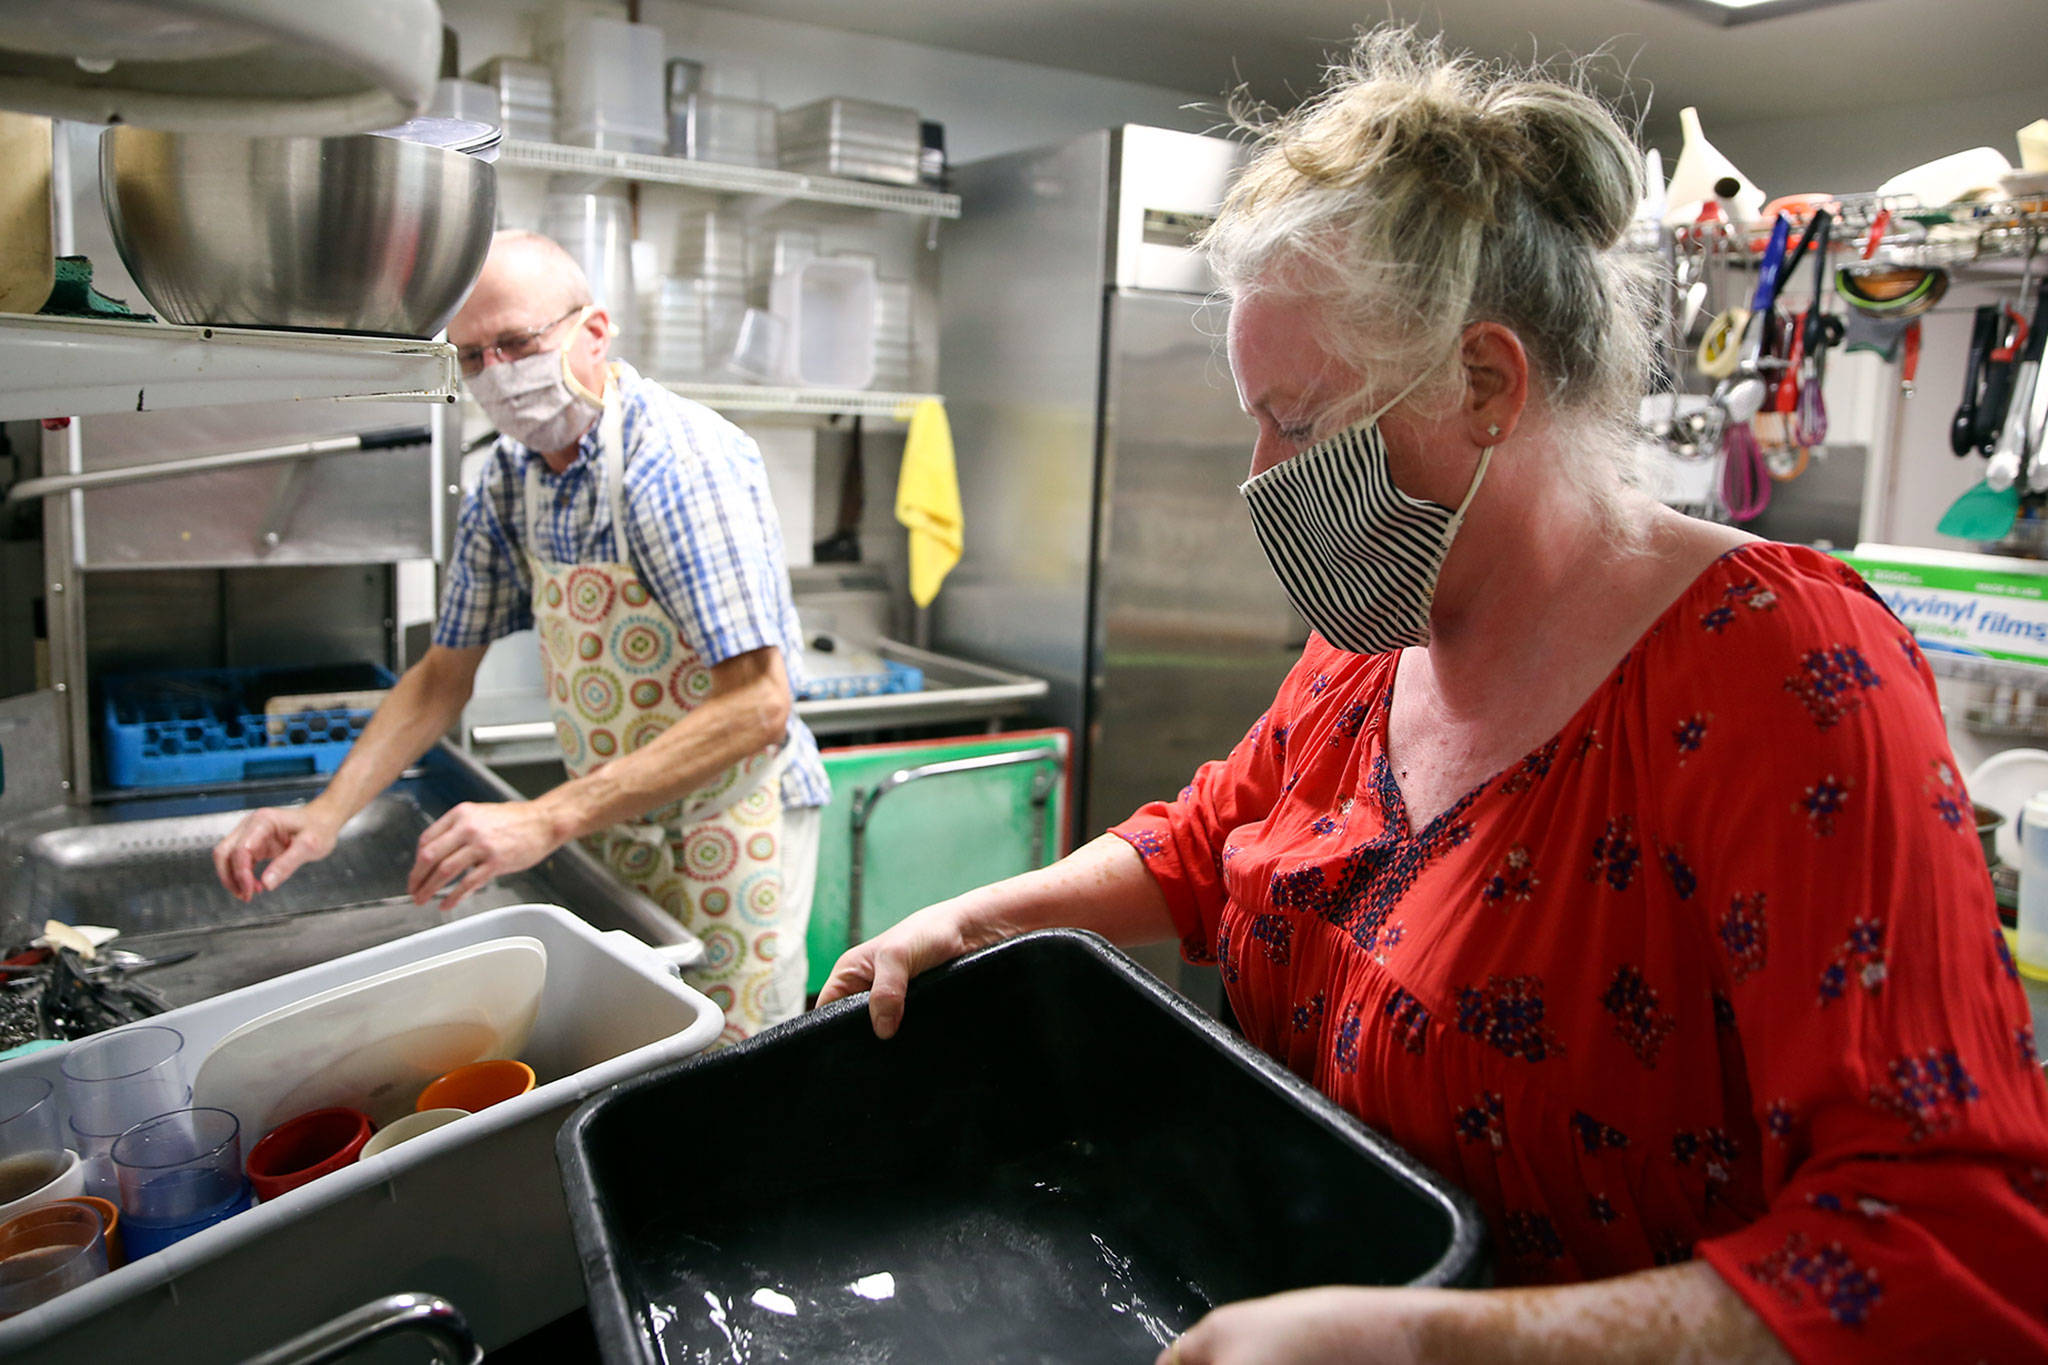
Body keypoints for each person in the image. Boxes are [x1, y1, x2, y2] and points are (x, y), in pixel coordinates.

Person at [819, 31, 2048, 1362]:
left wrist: (1430, 1344)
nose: (1261, 470)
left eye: (1299, 418)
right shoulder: (1380, 628)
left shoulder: (1784, 673)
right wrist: (974, 918)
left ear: (1486, 385)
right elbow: (1212, 842)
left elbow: (1943, 1244)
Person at [214, 231, 829, 1045]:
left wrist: (545, 818)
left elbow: (758, 705)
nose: (497, 374)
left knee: (733, 1063)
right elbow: (442, 675)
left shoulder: (675, 464)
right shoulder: (511, 476)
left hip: (731, 823)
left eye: (516, 343)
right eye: (472, 356)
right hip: (614, 821)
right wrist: (327, 813)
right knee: (637, 1052)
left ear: (594, 331)